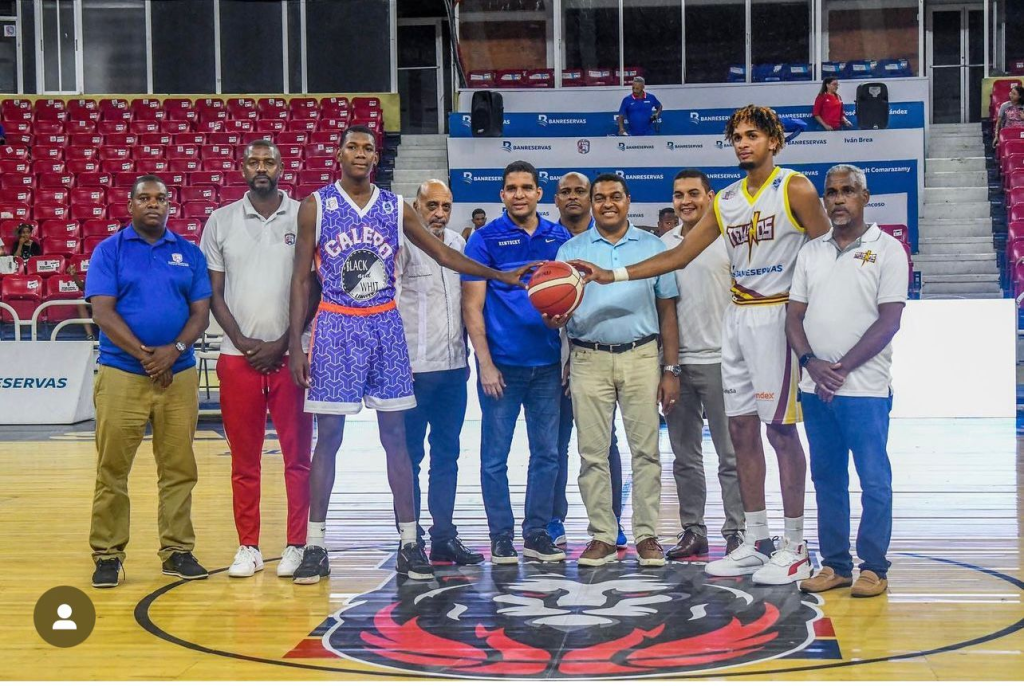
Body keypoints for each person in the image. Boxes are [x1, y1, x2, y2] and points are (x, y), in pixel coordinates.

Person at [571, 105, 832, 585]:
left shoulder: (794, 188)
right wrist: (613, 274)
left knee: (780, 433)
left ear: (774, 141)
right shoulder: (727, 199)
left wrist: (812, 323)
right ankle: (756, 540)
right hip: (738, 318)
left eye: (752, 135)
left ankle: (795, 545)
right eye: (737, 137)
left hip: (777, 316)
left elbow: (826, 253)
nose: (743, 143)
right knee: (740, 432)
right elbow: (678, 255)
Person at [287, 126, 530, 584]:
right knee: (329, 438)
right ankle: (315, 545)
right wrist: (295, 342)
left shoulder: (394, 207)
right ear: (339, 153)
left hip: (385, 325)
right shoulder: (315, 206)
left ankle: (409, 542)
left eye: (368, 148)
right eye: (353, 147)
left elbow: (442, 254)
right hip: (336, 326)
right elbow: (301, 278)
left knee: (396, 439)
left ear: (375, 157)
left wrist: (500, 275)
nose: (361, 154)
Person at [85, 175, 212, 589]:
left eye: (160, 198)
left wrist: (174, 351)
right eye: (145, 198)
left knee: (179, 468)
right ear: (131, 205)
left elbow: (200, 313)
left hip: (179, 374)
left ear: (170, 205)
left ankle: (177, 550)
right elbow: (102, 312)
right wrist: (147, 356)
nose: (153, 204)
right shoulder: (110, 250)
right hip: (122, 373)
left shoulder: (189, 253)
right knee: (112, 470)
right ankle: (107, 554)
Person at [787, 164, 908, 599]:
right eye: (832, 192)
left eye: (847, 191)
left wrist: (837, 369)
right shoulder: (811, 252)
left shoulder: (888, 250)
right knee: (827, 479)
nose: (838, 199)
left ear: (865, 196)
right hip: (815, 388)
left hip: (865, 389)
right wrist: (810, 363)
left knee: (874, 480)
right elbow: (793, 317)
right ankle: (836, 565)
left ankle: (874, 566)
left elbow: (889, 321)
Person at [551, 173, 679, 567]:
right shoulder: (570, 250)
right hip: (588, 358)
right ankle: (602, 536)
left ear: (628, 200)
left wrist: (671, 368)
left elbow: (667, 310)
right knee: (592, 454)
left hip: (642, 356)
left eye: (615, 197)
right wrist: (553, 317)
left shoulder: (653, 246)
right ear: (592, 203)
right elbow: (557, 310)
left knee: (647, 453)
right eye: (600, 197)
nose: (608, 204)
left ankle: (647, 535)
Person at [200, 140, 312, 579]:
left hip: (292, 357)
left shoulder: (303, 214)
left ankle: (297, 544)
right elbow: (213, 292)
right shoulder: (221, 220)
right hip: (236, 357)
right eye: (253, 161)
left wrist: (285, 342)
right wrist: (243, 341)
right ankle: (248, 546)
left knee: (297, 459)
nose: (261, 167)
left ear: (282, 167)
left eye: (268, 161)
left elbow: (315, 286)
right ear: (241, 167)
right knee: (244, 461)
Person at [462, 160, 571, 565]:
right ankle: (501, 536)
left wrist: (566, 349)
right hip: (502, 369)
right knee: (495, 458)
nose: (520, 194)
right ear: (502, 195)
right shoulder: (484, 240)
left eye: (527, 187)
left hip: (548, 366)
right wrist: (485, 364)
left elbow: (573, 300)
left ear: (540, 193)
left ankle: (537, 533)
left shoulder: (559, 238)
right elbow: (472, 307)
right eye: (512, 188)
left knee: (547, 455)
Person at [397, 179, 483, 566]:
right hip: (412, 372)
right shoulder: (401, 244)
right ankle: (409, 539)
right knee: (410, 458)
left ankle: (444, 537)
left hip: (452, 370)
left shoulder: (459, 245)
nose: (439, 213)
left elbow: (467, 306)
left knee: (447, 456)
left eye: (446, 206)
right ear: (416, 206)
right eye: (431, 205)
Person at [661, 169, 744, 560]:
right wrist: (666, 366)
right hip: (676, 365)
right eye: (679, 195)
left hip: (723, 362)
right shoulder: (664, 245)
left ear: (710, 197)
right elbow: (662, 310)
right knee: (684, 458)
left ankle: (738, 531)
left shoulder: (730, 240)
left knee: (732, 456)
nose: (686, 201)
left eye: (693, 193)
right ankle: (693, 530)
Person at [549, 171, 626, 549]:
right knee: (555, 443)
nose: (573, 197)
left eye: (581, 191)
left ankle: (612, 520)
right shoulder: (551, 242)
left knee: (604, 442)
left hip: (593, 357)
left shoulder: (607, 243)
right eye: (565, 192)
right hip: (554, 359)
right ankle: (553, 519)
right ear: (556, 199)